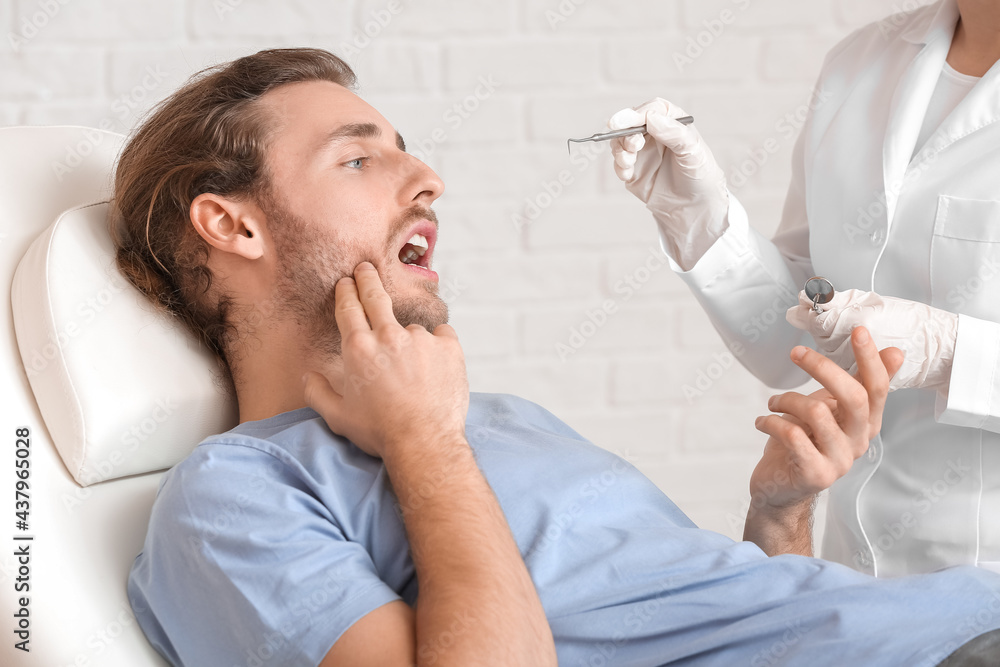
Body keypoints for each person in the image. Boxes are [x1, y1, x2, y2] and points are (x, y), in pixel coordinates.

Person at [118, 48, 1000, 666]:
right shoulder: (233, 496)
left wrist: (779, 518)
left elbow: (730, 620)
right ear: (232, 224)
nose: (427, 178)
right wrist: (426, 446)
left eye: (403, 148)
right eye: (356, 159)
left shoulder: (497, 418)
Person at [606, 0, 1000, 576]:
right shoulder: (862, 61)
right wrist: (700, 218)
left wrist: (949, 353)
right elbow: (793, 341)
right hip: (853, 576)